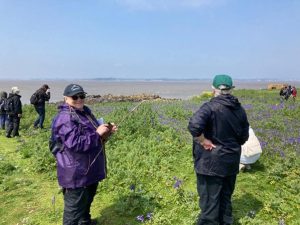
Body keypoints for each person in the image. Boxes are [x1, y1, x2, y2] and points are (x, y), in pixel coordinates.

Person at [50, 84, 117, 225]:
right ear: (65, 98)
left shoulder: (85, 112)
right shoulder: (65, 118)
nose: (79, 99)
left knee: (86, 201)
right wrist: (97, 133)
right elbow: (76, 144)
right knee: (73, 211)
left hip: (89, 169)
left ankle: (85, 222)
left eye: (82, 96)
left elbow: (95, 138)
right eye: (75, 97)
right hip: (76, 172)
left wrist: (107, 132)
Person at [188, 74, 249, 225]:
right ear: (231, 89)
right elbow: (243, 137)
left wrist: (203, 141)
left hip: (211, 163)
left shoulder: (209, 107)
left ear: (213, 89)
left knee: (209, 202)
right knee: (225, 199)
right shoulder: (239, 109)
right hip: (230, 162)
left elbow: (194, 126)